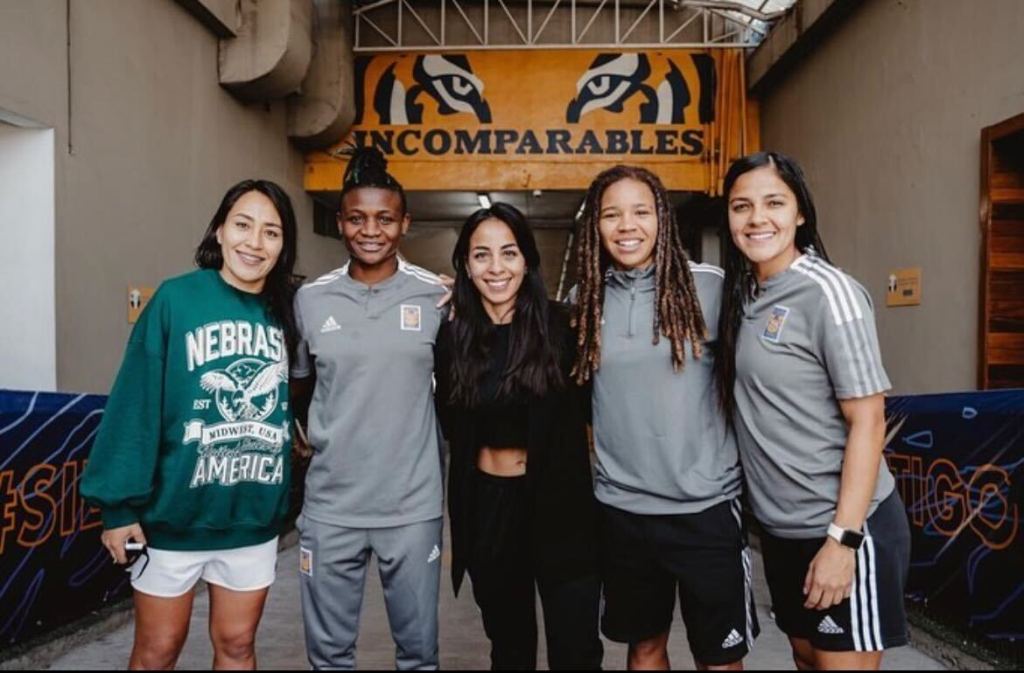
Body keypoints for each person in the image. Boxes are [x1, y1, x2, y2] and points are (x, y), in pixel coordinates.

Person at [80, 179, 300, 670]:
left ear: (284, 246)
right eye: (243, 225)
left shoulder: (287, 311)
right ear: (220, 231)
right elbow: (135, 403)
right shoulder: (176, 300)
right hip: (171, 517)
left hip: (251, 515)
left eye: (272, 232)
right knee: (157, 652)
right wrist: (117, 507)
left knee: (238, 647)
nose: (254, 242)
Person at [715, 151, 910, 670]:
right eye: (742, 206)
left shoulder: (830, 293)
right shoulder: (745, 296)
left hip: (846, 527)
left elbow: (868, 421)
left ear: (800, 212)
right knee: (806, 659)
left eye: (774, 203)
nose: (757, 218)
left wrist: (842, 542)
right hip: (782, 532)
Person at [571, 165, 757, 670]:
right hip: (624, 510)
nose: (626, 225)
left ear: (663, 218)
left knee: (718, 657)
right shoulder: (584, 301)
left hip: (706, 507)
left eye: (640, 211)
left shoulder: (712, 287)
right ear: (596, 226)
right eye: (611, 214)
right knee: (644, 647)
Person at [290, 147, 447, 670]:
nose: (370, 230)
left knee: (419, 654)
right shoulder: (311, 300)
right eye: (357, 218)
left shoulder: (437, 298)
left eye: (384, 218)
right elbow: (300, 388)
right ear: (340, 223)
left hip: (411, 506)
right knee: (329, 656)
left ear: (405, 223)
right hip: (331, 506)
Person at [434, 203, 603, 670]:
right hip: (490, 509)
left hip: (561, 505)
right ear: (465, 266)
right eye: (481, 255)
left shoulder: (563, 327)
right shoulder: (453, 337)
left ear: (527, 260)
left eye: (508, 253)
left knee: (577, 651)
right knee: (510, 650)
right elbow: (450, 421)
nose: (496, 268)